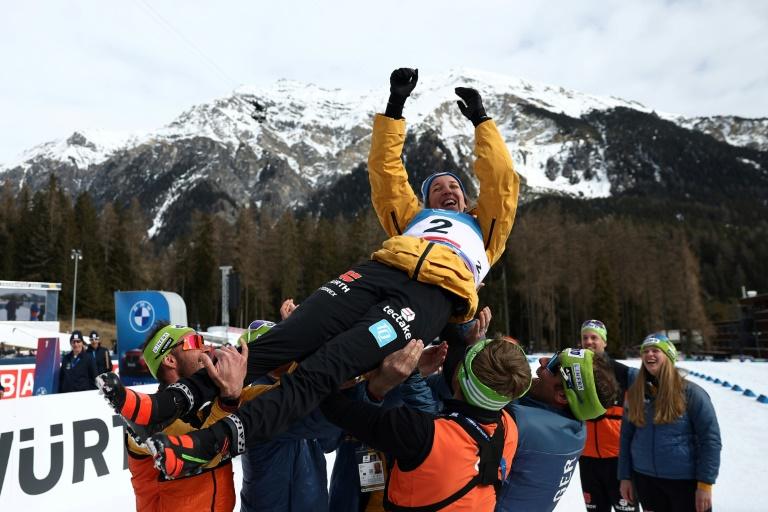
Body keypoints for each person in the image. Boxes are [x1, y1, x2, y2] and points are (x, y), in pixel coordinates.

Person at [99, 66, 520, 480]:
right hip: (379, 271)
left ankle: (215, 442)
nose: (447, 189)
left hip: (427, 299)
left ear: (467, 201)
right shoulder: (411, 220)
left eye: (454, 187)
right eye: (436, 188)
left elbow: (501, 182)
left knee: (324, 369)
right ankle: (172, 401)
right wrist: (395, 107)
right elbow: (387, 177)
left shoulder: (485, 230)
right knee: (283, 337)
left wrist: (481, 122)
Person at [322, 337, 532, 511]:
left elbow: (335, 408)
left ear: (460, 375)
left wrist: (375, 383)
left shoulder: (420, 433)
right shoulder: (508, 427)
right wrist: (413, 374)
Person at [125, 322, 246, 511]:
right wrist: (229, 400)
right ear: (170, 360)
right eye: (194, 341)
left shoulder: (206, 400)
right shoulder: (153, 419)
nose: (206, 347)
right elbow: (208, 452)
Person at [496, 347, 620, 512]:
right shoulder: (576, 428)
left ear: (561, 396)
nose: (542, 361)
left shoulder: (518, 424)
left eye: (553, 364)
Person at [618, 333, 721, 512]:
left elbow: (710, 440)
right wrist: (625, 477)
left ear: (669, 356)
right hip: (645, 480)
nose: (649, 354)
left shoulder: (692, 393)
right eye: (645, 351)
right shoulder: (636, 394)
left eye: (656, 350)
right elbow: (626, 437)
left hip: (684, 482)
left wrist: (705, 484)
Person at [578, 320, 638, 512]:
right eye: (585, 337)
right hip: (587, 461)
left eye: (594, 337)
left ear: (604, 342)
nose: (589, 341)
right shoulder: (573, 371)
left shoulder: (623, 373)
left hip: (618, 460)